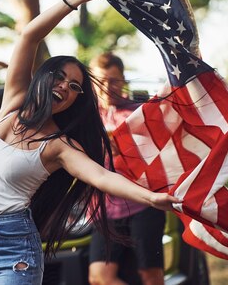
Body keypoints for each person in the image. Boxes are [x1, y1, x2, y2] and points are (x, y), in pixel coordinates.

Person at [0, 0, 180, 285]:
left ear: (76, 100)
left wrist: (152, 198)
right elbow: (29, 36)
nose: (64, 87)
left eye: (74, 86)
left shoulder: (58, 145)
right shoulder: (13, 105)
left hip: (13, 249)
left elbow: (102, 177)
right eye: (59, 77)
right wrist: (73, 0)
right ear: (44, 76)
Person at [88, 52, 166, 285]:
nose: (107, 87)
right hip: (104, 211)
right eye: (101, 81)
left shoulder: (138, 113)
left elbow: (160, 152)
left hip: (143, 204)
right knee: (99, 277)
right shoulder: (86, 117)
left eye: (113, 80)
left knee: (150, 276)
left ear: (123, 81)